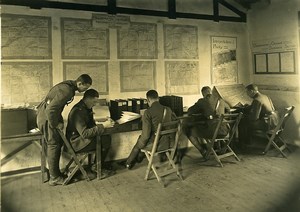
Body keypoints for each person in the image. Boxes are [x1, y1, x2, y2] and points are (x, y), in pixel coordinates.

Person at [36, 74, 92, 186]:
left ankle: (55, 173)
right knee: (54, 145)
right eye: (84, 88)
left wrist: (59, 120)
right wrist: (56, 124)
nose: (83, 91)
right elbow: (51, 110)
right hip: (47, 118)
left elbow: (54, 107)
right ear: (80, 83)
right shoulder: (67, 90)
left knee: (57, 144)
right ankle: (54, 178)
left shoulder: (68, 85)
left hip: (48, 116)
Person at [66, 89, 115, 178]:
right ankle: (97, 166)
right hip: (76, 143)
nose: (95, 104)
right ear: (88, 99)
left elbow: (87, 124)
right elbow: (85, 133)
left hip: (78, 139)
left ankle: (97, 165)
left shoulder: (83, 107)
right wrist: (103, 126)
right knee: (106, 139)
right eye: (94, 101)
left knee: (105, 137)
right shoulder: (78, 111)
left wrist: (102, 121)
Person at [125, 90, 177, 169]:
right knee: (143, 141)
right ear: (158, 98)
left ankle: (128, 163)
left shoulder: (148, 112)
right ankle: (138, 158)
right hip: (169, 143)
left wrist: (139, 146)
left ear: (148, 100)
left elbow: (146, 135)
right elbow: (175, 121)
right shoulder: (168, 109)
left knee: (140, 141)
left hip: (156, 145)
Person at [184, 86, 230, 158]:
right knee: (205, 126)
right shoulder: (220, 100)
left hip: (214, 132)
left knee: (188, 129)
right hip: (226, 131)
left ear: (203, 94)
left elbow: (190, 111)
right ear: (210, 92)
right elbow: (228, 109)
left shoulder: (202, 101)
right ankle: (217, 148)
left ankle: (203, 151)